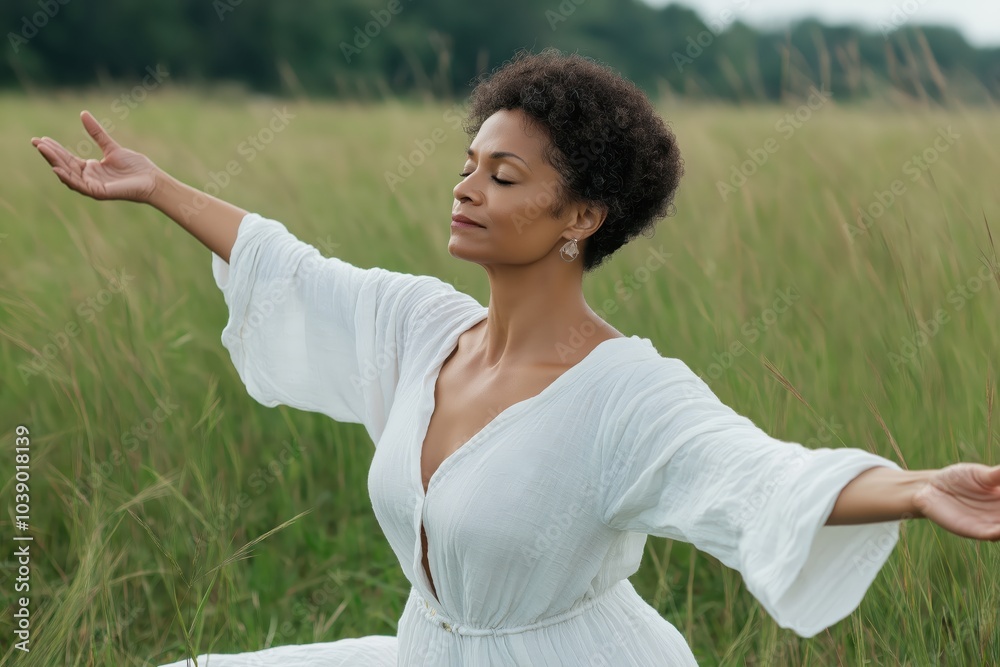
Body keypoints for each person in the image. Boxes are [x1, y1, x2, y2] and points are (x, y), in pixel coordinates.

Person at [32, 48, 1000, 667]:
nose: (465, 188)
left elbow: (755, 474)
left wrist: (910, 488)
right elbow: (290, 266)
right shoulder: (419, 327)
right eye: (466, 165)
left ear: (581, 216)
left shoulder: (624, 394)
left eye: (503, 176)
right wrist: (159, 188)